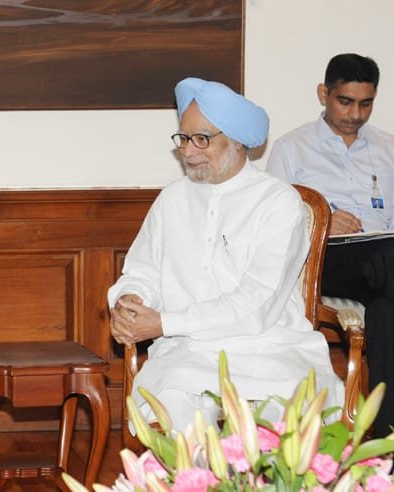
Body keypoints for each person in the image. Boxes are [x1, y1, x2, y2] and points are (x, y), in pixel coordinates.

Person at [108, 77, 344, 431]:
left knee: (282, 424)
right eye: (184, 138)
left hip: (269, 349)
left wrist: (163, 323)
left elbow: (257, 304)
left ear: (237, 141)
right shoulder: (172, 199)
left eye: (201, 139)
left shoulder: (277, 202)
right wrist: (131, 300)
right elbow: (143, 269)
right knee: (172, 403)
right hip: (188, 351)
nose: (187, 151)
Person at [267, 53, 394, 438]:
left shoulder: (389, 148)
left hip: (384, 260)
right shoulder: (292, 148)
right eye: (346, 101)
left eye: (366, 103)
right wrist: (321, 222)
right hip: (327, 258)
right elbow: (273, 225)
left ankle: (384, 435)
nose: (356, 113)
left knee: (386, 313)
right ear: (324, 93)